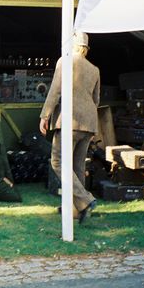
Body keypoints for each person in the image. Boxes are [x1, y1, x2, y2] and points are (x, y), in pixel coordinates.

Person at [39, 31, 99, 224]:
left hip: (69, 121)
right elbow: (96, 100)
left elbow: (55, 91)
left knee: (58, 162)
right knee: (78, 166)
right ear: (86, 48)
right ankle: (77, 210)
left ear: (71, 45)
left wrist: (45, 115)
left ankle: (86, 200)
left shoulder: (64, 61)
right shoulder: (94, 69)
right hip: (89, 123)